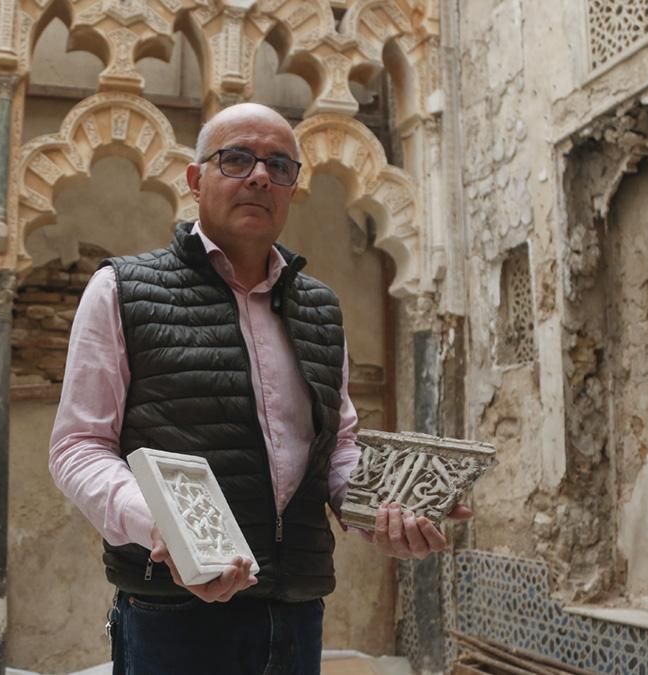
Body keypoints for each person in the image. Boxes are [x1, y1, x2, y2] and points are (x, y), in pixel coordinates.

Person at [49, 102, 467, 675]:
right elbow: (78, 449)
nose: (260, 176)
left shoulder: (319, 308)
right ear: (196, 180)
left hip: (295, 609)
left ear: (294, 187)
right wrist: (164, 526)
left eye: (280, 165)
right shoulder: (122, 289)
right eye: (237, 158)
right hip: (174, 612)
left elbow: (337, 447)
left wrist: (382, 510)